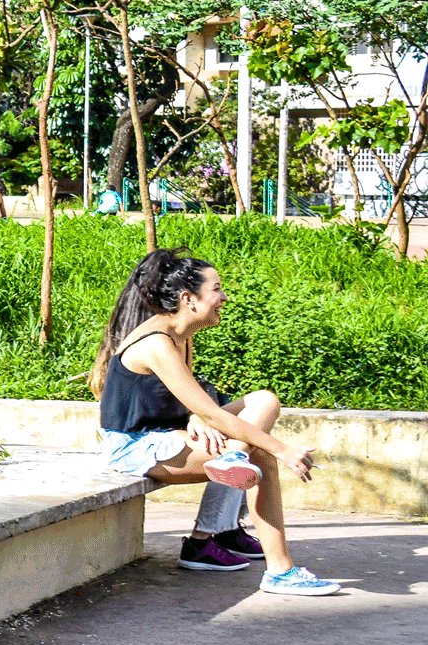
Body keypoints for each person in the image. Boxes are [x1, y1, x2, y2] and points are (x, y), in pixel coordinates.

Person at [92, 248, 337, 596]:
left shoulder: (180, 333)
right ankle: (280, 571)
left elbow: (191, 399)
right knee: (262, 456)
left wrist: (194, 416)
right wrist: (283, 449)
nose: (224, 297)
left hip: (167, 435)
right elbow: (212, 411)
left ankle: (234, 458)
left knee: (264, 400)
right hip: (135, 446)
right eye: (217, 289)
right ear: (188, 299)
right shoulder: (157, 343)